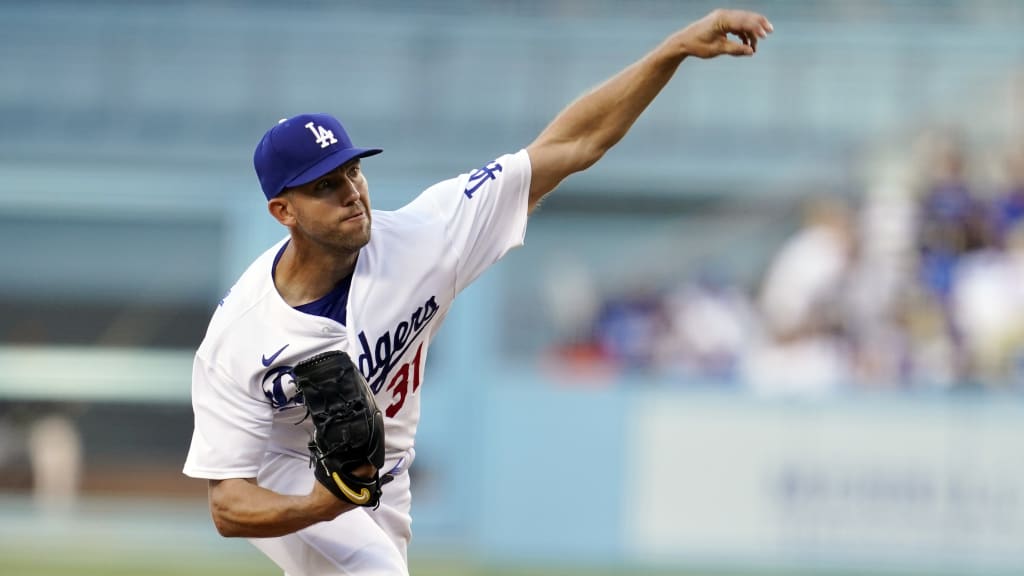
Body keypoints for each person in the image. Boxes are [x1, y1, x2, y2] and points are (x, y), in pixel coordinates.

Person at [182, 9, 773, 576]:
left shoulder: (424, 237)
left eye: (352, 171)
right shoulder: (240, 336)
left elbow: (571, 146)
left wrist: (671, 50)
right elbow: (228, 506)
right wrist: (322, 501)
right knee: (371, 568)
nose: (352, 192)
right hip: (290, 471)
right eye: (325, 186)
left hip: (385, 477)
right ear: (282, 210)